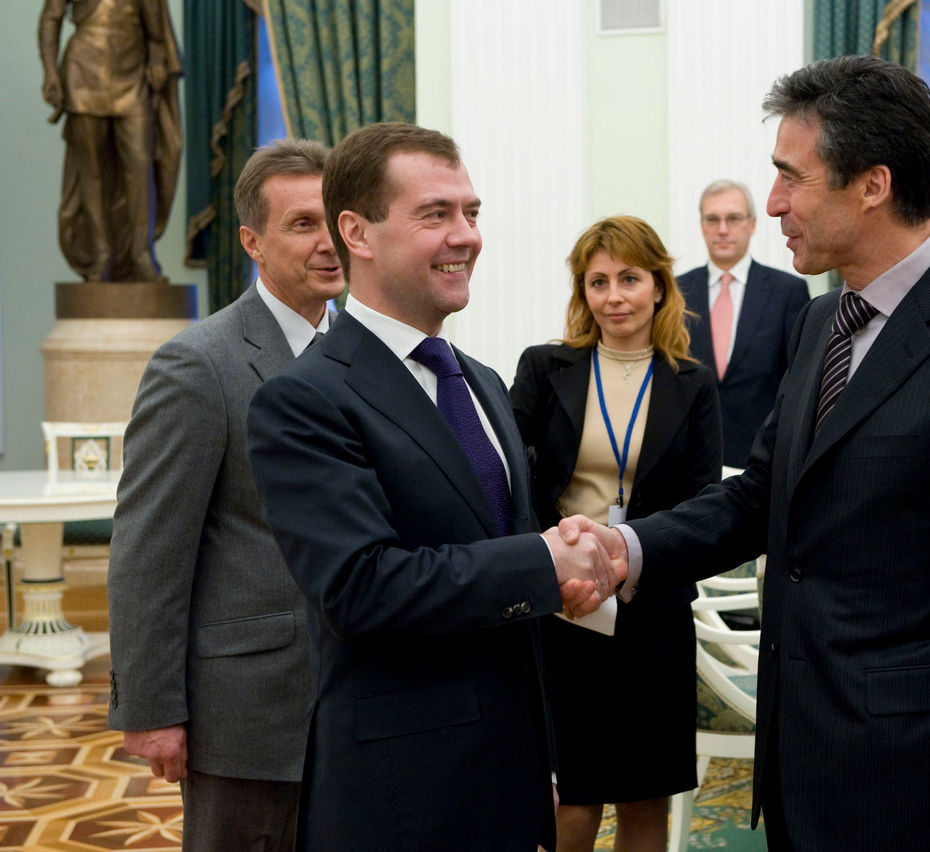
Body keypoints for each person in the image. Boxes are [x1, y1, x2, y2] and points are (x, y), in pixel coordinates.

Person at [562, 55, 930, 851]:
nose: (771, 203)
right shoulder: (822, 322)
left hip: (920, 787)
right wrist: (626, 546)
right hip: (804, 762)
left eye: (790, 176)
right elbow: (763, 494)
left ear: (872, 184)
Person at [245, 122, 619, 852]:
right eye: (435, 215)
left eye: (471, 213)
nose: (466, 236)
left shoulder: (477, 379)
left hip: (508, 781)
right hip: (399, 798)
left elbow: (501, 544)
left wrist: (570, 563)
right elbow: (361, 588)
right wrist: (544, 562)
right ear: (356, 231)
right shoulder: (306, 399)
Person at [107, 138, 343, 851]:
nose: (329, 240)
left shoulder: (366, 354)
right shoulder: (197, 364)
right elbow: (149, 551)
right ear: (252, 241)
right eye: (303, 224)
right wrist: (151, 711)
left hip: (360, 701)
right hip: (248, 714)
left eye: (338, 218)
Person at [510, 216, 722, 851]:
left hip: (649, 610)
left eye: (629, 279)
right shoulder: (547, 368)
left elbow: (705, 501)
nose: (614, 296)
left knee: (643, 798)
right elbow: (515, 483)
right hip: (566, 607)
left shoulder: (692, 382)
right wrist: (552, 565)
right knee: (572, 801)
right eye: (597, 282)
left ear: (659, 285)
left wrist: (636, 564)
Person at [38, 0, 182, 282]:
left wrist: (157, 57)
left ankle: (142, 254)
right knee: (91, 172)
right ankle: (101, 253)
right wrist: (50, 71)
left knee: (141, 167)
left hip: (132, 74)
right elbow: (50, 18)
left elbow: (155, 25)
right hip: (83, 72)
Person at [677, 180, 809, 467]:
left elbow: (799, 381)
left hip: (762, 460)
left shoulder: (787, 291)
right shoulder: (676, 293)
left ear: (751, 224)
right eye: (712, 219)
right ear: (702, 226)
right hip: (688, 461)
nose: (722, 229)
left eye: (733, 219)